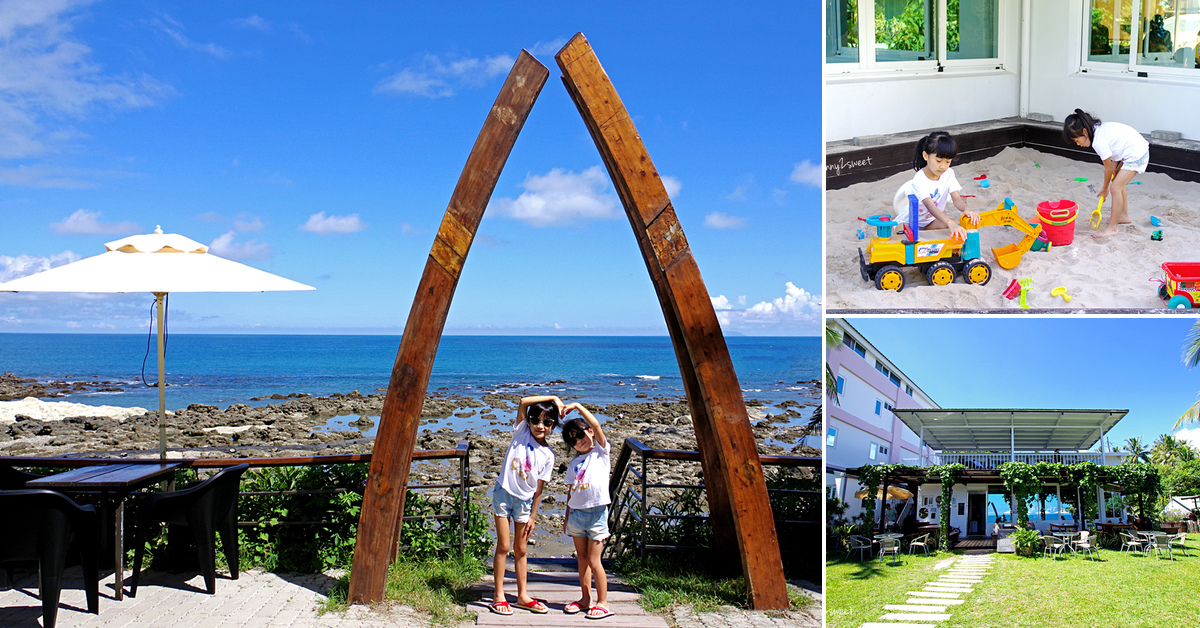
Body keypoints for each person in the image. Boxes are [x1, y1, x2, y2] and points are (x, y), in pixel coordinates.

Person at [489, 395, 561, 616]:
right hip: (503, 494)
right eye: (536, 420)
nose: (540, 426)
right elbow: (522, 401)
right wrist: (553, 397)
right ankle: (499, 595)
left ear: (553, 426)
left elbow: (539, 489)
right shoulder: (521, 432)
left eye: (547, 422)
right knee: (503, 546)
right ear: (528, 421)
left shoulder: (548, 455)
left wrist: (533, 515)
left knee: (521, 549)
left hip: (525, 502)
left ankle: (522, 596)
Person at [560, 402, 614, 620]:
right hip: (576, 514)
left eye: (580, 435)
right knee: (581, 559)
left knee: (594, 560)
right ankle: (585, 599)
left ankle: (603, 602)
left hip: (596, 514)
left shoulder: (601, 452)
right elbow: (570, 493)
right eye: (573, 440)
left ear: (589, 432)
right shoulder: (574, 463)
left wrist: (577, 406)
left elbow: (597, 424)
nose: (579, 442)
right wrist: (566, 519)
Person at [1062, 109, 1150, 238]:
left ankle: (1113, 228)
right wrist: (1114, 171)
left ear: (1085, 132)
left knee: (1115, 188)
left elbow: (1108, 169)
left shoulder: (1098, 142)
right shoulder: (1097, 129)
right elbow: (1114, 152)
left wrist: (1104, 188)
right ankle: (1123, 216)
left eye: (1077, 140)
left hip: (1136, 154)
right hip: (1132, 150)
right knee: (1117, 182)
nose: (1078, 144)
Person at [893, 131, 981, 241]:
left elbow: (956, 199)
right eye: (938, 161)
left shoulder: (949, 174)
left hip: (930, 223)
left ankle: (924, 234)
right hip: (908, 223)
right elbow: (931, 207)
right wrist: (948, 222)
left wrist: (967, 210)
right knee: (903, 232)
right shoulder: (919, 179)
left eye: (948, 162)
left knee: (957, 224)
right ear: (926, 156)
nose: (943, 166)